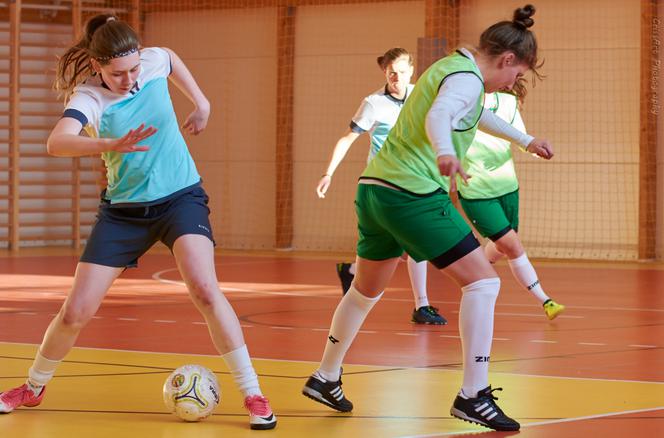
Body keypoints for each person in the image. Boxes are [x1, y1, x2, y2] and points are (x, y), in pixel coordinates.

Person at [0, 15, 276, 430]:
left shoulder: (152, 60)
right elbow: (56, 142)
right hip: (123, 213)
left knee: (204, 289)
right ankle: (34, 386)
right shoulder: (89, 97)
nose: (130, 79)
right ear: (97, 67)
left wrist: (202, 104)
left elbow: (170, 58)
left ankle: (253, 394)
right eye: (117, 73)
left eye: (133, 70)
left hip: (180, 198)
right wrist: (110, 144)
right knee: (75, 311)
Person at [302, 4, 552, 432]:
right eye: (517, 74)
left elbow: (474, 115)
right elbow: (441, 115)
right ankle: (473, 395)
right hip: (411, 193)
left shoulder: (454, 67)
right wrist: (445, 153)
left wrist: (525, 139)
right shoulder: (468, 79)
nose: (514, 83)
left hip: (375, 189)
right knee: (484, 281)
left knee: (364, 291)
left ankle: (325, 376)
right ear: (507, 59)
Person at [316, 48, 446, 325]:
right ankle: (420, 305)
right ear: (385, 73)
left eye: (401, 71)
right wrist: (328, 173)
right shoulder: (374, 103)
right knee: (409, 243)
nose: (396, 77)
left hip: (414, 179)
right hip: (383, 183)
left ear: (411, 70)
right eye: (391, 72)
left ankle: (352, 270)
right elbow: (347, 139)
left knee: (398, 247)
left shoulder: (422, 95)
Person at [459, 90, 565, 320]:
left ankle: (480, 266)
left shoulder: (507, 102)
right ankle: (545, 300)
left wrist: (536, 150)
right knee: (513, 246)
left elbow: (521, 138)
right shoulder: (463, 100)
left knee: (504, 244)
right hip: (476, 191)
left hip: (507, 186)